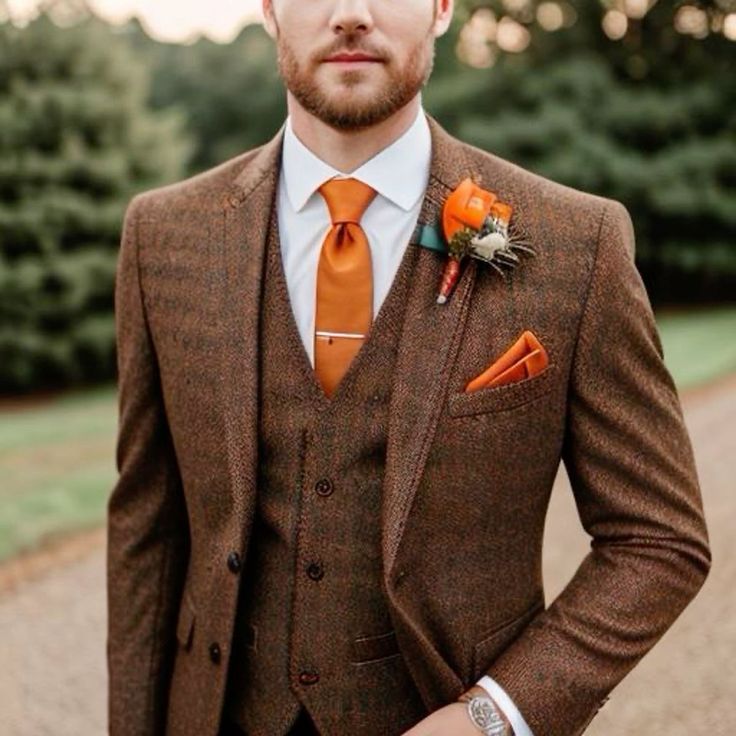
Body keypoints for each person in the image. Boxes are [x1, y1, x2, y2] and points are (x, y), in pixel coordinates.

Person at [106, 0, 711, 734]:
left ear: (442, 6)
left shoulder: (576, 245)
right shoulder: (163, 237)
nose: (352, 15)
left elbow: (658, 539)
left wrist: (493, 717)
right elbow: (148, 532)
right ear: (268, 8)